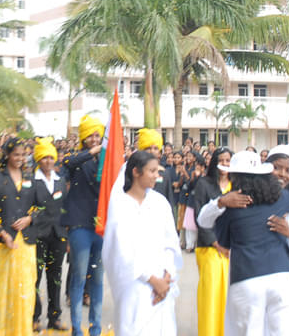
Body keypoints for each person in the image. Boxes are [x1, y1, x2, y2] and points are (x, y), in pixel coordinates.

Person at [213, 151, 289, 336]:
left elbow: (223, 242)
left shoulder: (231, 206)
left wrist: (222, 202)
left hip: (247, 278)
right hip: (282, 277)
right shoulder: (282, 198)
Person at [102, 150, 182, 336]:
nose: (157, 175)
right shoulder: (121, 205)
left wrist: (167, 276)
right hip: (134, 285)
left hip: (163, 282)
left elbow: (171, 242)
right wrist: (152, 280)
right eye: (152, 171)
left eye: (157, 171)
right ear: (136, 172)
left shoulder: (160, 202)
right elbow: (122, 251)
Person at [0, 137, 40, 336]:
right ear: (7, 155)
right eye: (16, 154)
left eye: (23, 155)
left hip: (25, 242)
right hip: (1, 243)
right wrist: (2, 232)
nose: (20, 158)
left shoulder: (30, 177)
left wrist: (30, 218)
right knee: (1, 292)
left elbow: (41, 206)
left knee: (24, 290)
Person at [61, 115, 105, 336]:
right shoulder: (75, 158)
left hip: (101, 226)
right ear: (84, 137)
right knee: (78, 276)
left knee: (97, 279)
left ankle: (95, 328)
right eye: (91, 135)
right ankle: (77, 328)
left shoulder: (106, 159)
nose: (95, 139)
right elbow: (67, 163)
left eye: (98, 135)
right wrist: (93, 152)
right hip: (79, 225)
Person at [189, 147, 233, 336]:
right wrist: (216, 244)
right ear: (214, 162)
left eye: (228, 160)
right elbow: (200, 217)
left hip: (232, 249)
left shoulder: (237, 184)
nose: (225, 164)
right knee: (212, 295)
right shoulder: (204, 184)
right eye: (221, 160)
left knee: (231, 296)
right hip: (210, 247)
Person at [31, 137, 68, 332]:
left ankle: (54, 317)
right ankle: (34, 317)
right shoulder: (31, 181)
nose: (48, 161)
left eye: (51, 158)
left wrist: (67, 234)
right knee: (35, 278)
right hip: (38, 235)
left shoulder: (60, 180)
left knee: (55, 277)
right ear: (38, 160)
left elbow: (65, 207)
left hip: (58, 235)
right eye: (44, 158)